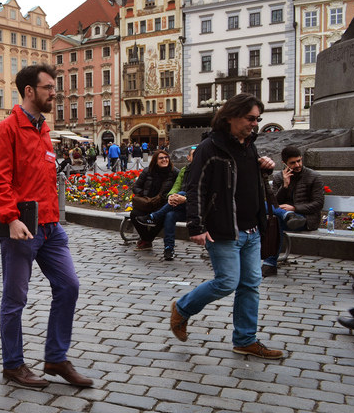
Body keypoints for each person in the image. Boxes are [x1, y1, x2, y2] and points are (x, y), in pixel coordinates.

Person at [0, 63, 92, 388]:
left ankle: (55, 358)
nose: (54, 92)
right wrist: (11, 218)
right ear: (30, 91)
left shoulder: (43, 129)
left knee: (69, 286)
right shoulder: (7, 129)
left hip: (50, 227)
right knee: (15, 299)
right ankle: (13, 365)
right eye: (48, 87)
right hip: (21, 226)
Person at [171, 93, 285, 359]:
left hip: (252, 229)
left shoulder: (250, 146)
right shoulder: (210, 147)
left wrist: (264, 170)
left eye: (258, 119)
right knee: (226, 282)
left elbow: (246, 180)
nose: (254, 123)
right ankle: (182, 309)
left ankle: (245, 339)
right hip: (224, 228)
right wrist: (196, 226)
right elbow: (196, 187)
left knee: (250, 284)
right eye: (250, 118)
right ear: (230, 116)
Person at [261, 146, 324, 277]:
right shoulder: (279, 177)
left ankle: (270, 264)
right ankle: (287, 215)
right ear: (284, 163)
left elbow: (318, 204)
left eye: (299, 161)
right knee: (262, 206)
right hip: (284, 217)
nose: (297, 165)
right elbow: (274, 204)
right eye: (293, 163)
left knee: (274, 220)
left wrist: (294, 209)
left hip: (306, 218)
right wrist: (284, 186)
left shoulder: (313, 177)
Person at [135, 147, 196, 260]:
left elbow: (203, 193)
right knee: (169, 215)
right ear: (188, 158)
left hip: (197, 207)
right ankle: (169, 248)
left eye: (166, 157)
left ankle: (154, 217)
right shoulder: (184, 170)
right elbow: (176, 186)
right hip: (181, 207)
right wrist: (171, 196)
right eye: (194, 155)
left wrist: (185, 198)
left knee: (181, 193)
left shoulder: (206, 172)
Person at [130, 150, 179, 251]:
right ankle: (146, 239)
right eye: (161, 158)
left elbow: (180, 187)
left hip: (163, 204)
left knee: (163, 216)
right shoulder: (148, 171)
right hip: (147, 202)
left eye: (166, 157)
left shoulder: (174, 172)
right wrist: (145, 194)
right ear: (155, 160)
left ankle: (146, 241)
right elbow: (136, 187)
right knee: (134, 214)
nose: (165, 160)